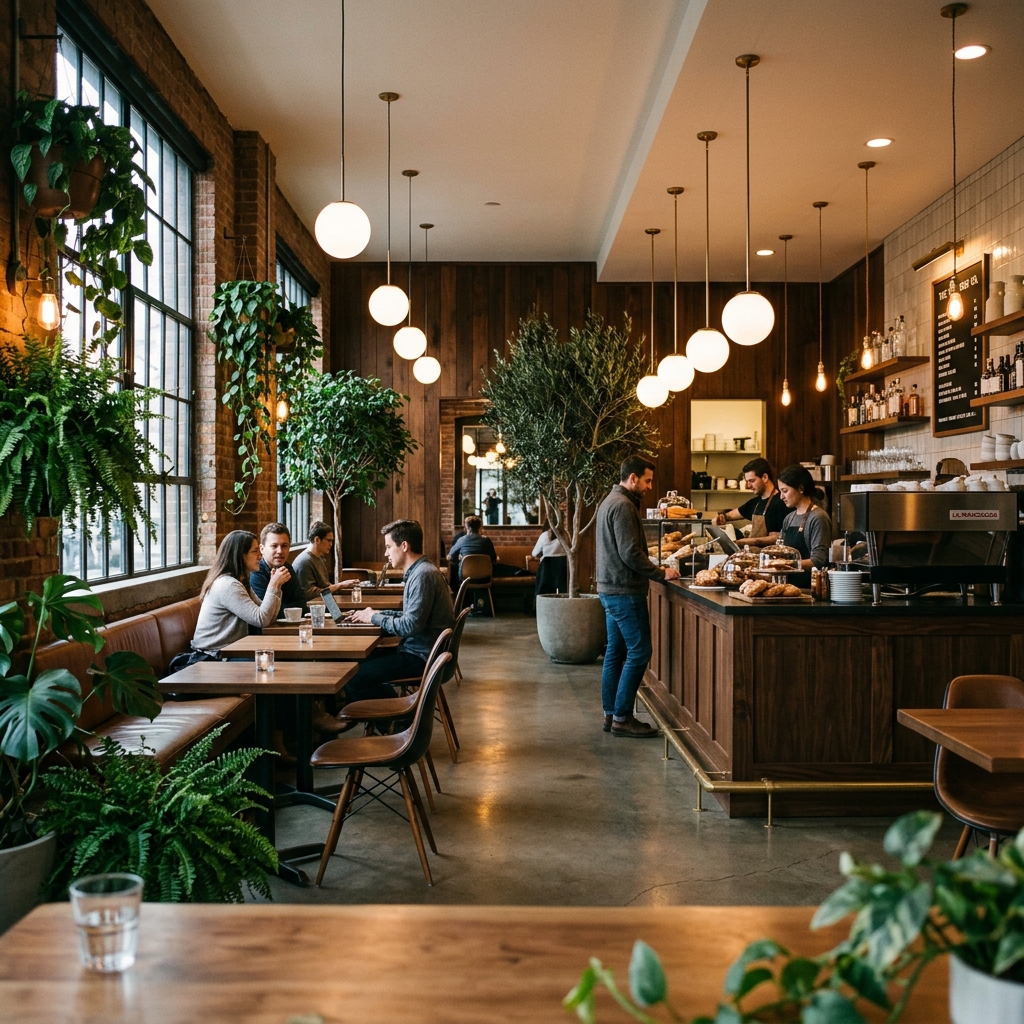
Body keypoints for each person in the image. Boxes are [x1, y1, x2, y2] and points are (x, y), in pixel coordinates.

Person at [596, 456, 679, 739]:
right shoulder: (623, 505)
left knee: (614, 653)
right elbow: (630, 553)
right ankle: (622, 717)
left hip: (610, 589)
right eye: (647, 481)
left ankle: (611, 714)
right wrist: (660, 573)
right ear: (632, 478)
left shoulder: (610, 501)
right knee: (640, 651)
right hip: (625, 591)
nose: (650, 487)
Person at [342, 519, 455, 705]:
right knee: (355, 665)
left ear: (404, 546)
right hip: (420, 651)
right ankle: (397, 711)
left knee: (352, 676)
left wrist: (374, 617)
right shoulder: (421, 571)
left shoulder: (423, 575)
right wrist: (376, 614)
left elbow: (410, 626)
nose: (385, 553)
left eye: (388, 547)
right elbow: (409, 617)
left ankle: (400, 714)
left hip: (421, 657)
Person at [187, 530, 285, 661]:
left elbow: (268, 615)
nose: (260, 556)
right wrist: (273, 586)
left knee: (279, 655)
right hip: (213, 656)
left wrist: (276, 587)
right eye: (255, 551)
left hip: (230, 651)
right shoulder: (228, 585)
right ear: (241, 555)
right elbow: (261, 619)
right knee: (272, 660)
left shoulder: (239, 581)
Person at [777, 464, 832, 588]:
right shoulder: (789, 518)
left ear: (801, 489)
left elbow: (818, 560)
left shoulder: (818, 517)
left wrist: (786, 564)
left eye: (785, 491)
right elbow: (780, 551)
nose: (781, 497)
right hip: (787, 587)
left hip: (809, 589)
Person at [714, 458, 788, 547]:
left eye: (752, 481)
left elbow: (776, 538)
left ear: (765, 477)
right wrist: (722, 517)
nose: (748, 486)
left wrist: (746, 542)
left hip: (769, 555)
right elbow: (733, 514)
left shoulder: (780, 502)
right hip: (754, 554)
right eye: (747, 481)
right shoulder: (756, 503)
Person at [291, 520, 357, 604]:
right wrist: (340, 585)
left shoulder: (320, 558)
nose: (331, 544)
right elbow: (309, 594)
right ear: (317, 540)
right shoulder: (304, 562)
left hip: (326, 603)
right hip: (314, 607)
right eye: (329, 540)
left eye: (332, 541)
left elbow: (325, 586)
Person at [249, 522, 304, 611]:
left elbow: (302, 605)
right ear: (262, 549)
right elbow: (267, 612)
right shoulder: (255, 574)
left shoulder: (287, 568)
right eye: (274, 546)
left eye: (284, 546)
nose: (280, 551)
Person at [448, 516, 497, 581]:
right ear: (480, 527)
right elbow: (494, 559)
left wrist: (460, 559)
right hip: (485, 577)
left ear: (466, 526)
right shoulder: (487, 540)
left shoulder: (461, 540)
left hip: (466, 578)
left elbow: (449, 557)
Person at [532, 527, 567, 596]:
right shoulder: (565, 534)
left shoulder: (545, 535)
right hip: (562, 567)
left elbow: (534, 553)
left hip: (546, 570)